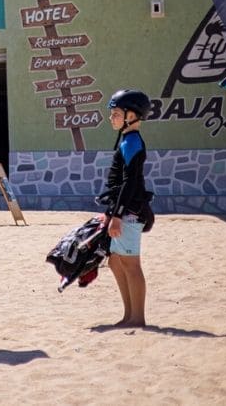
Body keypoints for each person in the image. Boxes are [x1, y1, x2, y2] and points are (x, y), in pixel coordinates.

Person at [97, 89, 154, 328]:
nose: (111, 118)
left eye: (116, 114)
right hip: (121, 210)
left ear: (131, 115)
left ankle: (137, 318)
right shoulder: (125, 140)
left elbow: (129, 183)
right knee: (115, 262)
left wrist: (117, 215)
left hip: (130, 212)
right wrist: (110, 213)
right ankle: (129, 315)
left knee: (131, 264)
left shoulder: (132, 142)